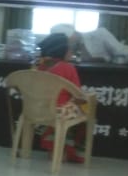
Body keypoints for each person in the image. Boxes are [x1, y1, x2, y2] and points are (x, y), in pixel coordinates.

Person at [35, 32, 89, 163]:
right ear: (62, 50)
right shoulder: (68, 68)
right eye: (70, 48)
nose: (72, 51)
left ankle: (52, 149)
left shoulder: (40, 66)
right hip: (60, 112)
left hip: (39, 110)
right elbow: (77, 93)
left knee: (58, 111)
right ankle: (70, 151)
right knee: (85, 111)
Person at [50, 23, 127, 63]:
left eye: (69, 40)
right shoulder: (70, 46)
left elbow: (124, 55)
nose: (69, 44)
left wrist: (106, 59)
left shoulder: (101, 34)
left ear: (74, 33)